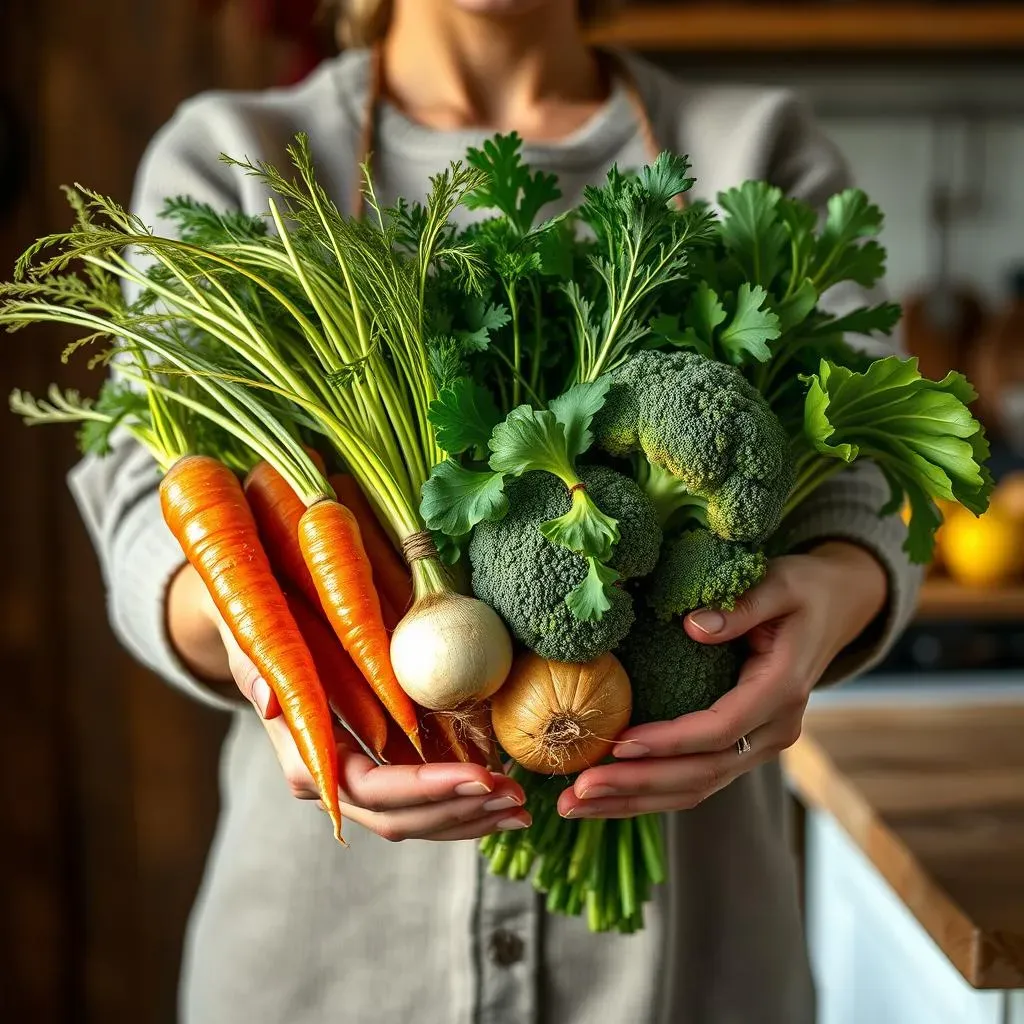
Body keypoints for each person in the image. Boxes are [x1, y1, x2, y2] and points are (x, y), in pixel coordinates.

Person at [69, 1, 922, 1021]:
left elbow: (859, 482)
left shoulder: (756, 149)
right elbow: (140, 498)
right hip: (324, 968)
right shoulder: (234, 156)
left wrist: (827, 598)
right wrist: (290, 661)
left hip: (693, 970)